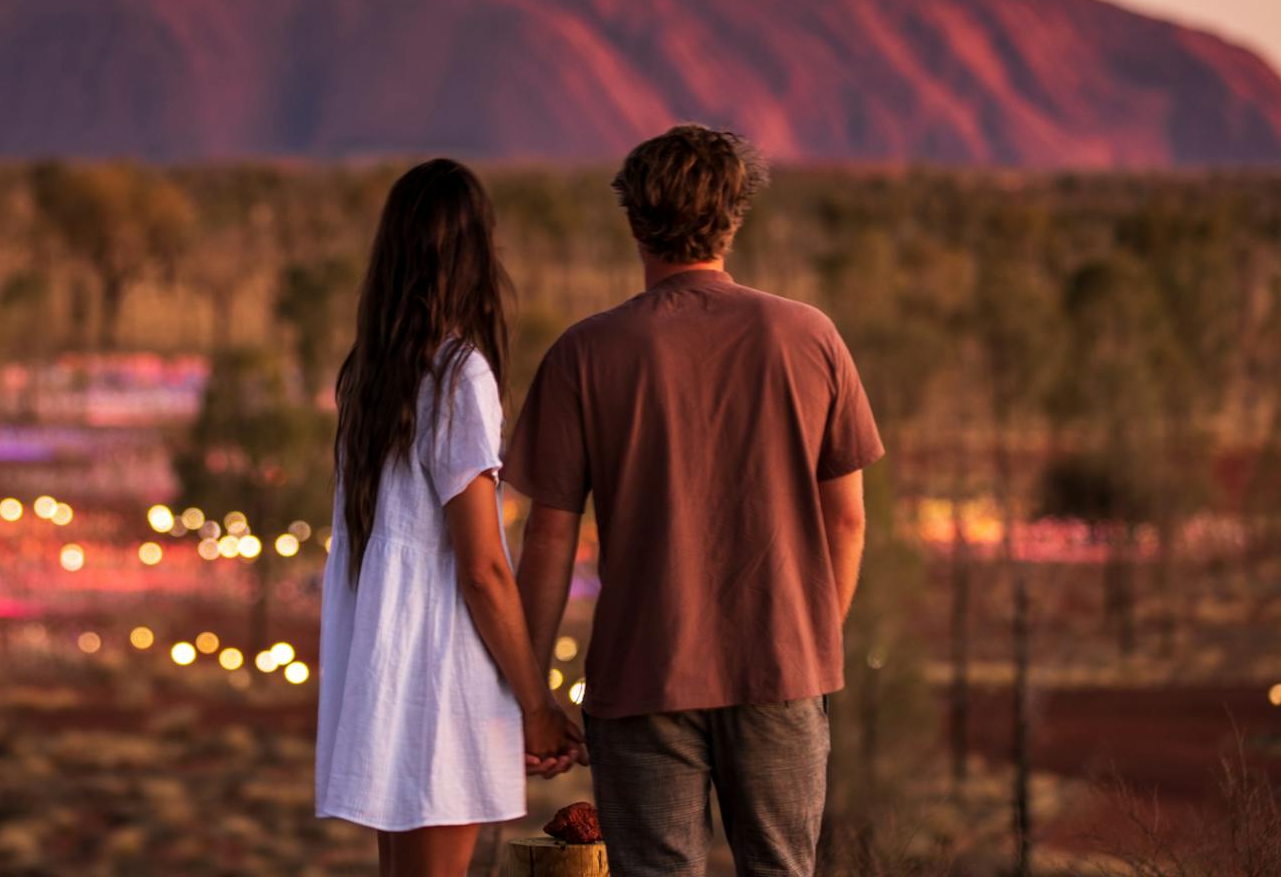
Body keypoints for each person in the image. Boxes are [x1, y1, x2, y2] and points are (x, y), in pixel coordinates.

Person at [504, 125, 883, 877]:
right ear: (734, 216)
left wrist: (534, 695)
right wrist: (806, 643)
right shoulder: (810, 338)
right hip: (780, 668)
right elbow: (847, 520)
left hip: (644, 672)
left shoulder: (587, 352)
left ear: (633, 220)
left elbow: (550, 540)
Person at [316, 158, 585, 877]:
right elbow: (483, 567)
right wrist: (535, 701)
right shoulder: (460, 375)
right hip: (439, 682)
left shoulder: (371, 374)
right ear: (475, 254)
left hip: (388, 669)